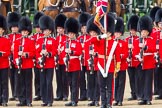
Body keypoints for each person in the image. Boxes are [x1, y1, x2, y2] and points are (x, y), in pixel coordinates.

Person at [91, 13, 121, 108]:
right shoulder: (100, 40)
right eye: (106, 32)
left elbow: (117, 56)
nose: (107, 33)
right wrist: (100, 37)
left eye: (108, 32)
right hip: (100, 65)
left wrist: (117, 67)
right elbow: (91, 41)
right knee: (102, 87)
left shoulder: (114, 42)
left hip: (110, 65)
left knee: (109, 87)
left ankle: (109, 103)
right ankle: (103, 103)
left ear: (111, 32)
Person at [134, 15, 156, 105]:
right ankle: (142, 97)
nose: (143, 33)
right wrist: (138, 56)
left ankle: (148, 98)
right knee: (141, 80)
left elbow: (154, 49)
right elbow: (135, 51)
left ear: (148, 32)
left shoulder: (151, 39)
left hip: (149, 62)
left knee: (148, 81)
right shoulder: (137, 40)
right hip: (140, 63)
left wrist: (146, 47)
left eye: (145, 32)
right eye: (142, 31)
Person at [36, 15, 57, 107]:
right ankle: (44, 100)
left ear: (50, 31)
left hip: (49, 64)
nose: (46, 32)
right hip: (41, 63)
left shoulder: (53, 40)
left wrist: (48, 53)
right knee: (43, 82)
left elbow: (55, 51)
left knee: (49, 82)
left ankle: (50, 100)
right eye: (44, 30)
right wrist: (40, 55)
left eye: (47, 30)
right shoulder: (39, 40)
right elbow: (36, 51)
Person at [14, 16, 35, 107]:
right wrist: (16, 61)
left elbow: (33, 53)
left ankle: (28, 100)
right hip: (20, 65)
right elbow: (15, 53)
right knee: (20, 83)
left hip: (28, 64)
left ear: (28, 31)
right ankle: (22, 99)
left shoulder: (31, 41)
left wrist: (26, 54)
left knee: (28, 83)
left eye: (26, 31)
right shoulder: (17, 41)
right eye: (23, 31)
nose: (24, 32)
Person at [62, 17, 82, 106]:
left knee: (75, 84)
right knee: (70, 83)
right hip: (68, 65)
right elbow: (62, 53)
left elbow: (79, 52)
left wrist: (72, 52)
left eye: (72, 34)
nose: (70, 35)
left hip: (75, 65)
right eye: (69, 33)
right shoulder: (65, 43)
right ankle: (72, 99)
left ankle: (75, 100)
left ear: (75, 34)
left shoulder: (77, 43)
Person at [85, 16, 100, 107]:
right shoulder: (87, 42)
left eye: (94, 32)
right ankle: (92, 98)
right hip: (90, 65)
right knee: (90, 83)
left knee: (97, 83)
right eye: (91, 32)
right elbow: (86, 54)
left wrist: (96, 54)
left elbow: (101, 52)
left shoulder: (99, 41)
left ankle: (97, 99)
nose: (93, 34)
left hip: (97, 65)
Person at [7, 11, 21, 101]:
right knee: (11, 77)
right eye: (13, 27)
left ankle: (17, 94)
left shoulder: (20, 37)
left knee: (17, 77)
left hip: (17, 59)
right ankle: (13, 93)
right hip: (10, 58)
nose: (14, 29)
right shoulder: (8, 36)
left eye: (16, 27)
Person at [113, 17, 127, 106]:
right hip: (114, 66)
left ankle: (120, 100)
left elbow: (125, 53)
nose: (117, 34)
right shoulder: (112, 42)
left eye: (118, 33)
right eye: (116, 33)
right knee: (116, 83)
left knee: (121, 83)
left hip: (122, 66)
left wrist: (121, 56)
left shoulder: (124, 42)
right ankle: (116, 99)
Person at [54, 13, 69, 101]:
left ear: (64, 29)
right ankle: (59, 94)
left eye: (61, 28)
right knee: (58, 79)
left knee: (65, 79)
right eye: (58, 28)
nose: (59, 30)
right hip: (57, 61)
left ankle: (65, 94)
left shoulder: (67, 38)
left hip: (64, 61)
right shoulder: (55, 39)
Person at [77, 12, 91, 101]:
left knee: (90, 79)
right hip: (81, 62)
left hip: (89, 61)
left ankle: (90, 94)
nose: (84, 29)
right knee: (81, 79)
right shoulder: (79, 38)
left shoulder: (91, 38)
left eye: (85, 27)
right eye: (83, 28)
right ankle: (83, 94)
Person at [125, 14, 139, 101]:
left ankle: (138, 93)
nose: (132, 32)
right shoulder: (127, 40)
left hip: (136, 62)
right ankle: (133, 93)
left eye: (133, 30)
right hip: (129, 62)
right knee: (131, 79)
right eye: (131, 30)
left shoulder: (138, 39)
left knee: (137, 79)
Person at [32, 11, 44, 101]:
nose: (38, 29)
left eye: (39, 27)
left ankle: (43, 94)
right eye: (36, 27)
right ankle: (38, 93)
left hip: (43, 60)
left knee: (43, 78)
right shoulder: (33, 37)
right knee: (37, 78)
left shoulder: (44, 37)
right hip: (35, 61)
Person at [0, 14, 11, 107]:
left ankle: (4, 99)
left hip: (4, 64)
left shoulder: (6, 40)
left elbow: (8, 52)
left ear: (3, 30)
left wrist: (2, 54)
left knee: (4, 83)